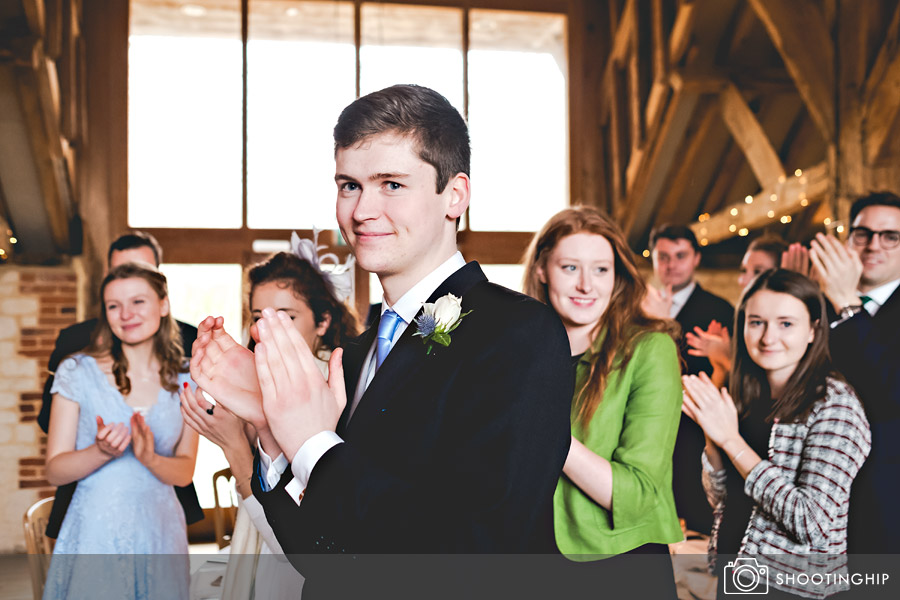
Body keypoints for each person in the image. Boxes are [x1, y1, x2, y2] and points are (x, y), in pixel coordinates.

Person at [189, 85, 573, 597]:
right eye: (349, 185)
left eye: (391, 184)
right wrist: (268, 424)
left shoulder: (519, 333)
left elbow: (482, 546)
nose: (362, 209)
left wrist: (312, 442)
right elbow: (316, 552)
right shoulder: (354, 354)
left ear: (454, 195)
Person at [181, 236, 360, 600]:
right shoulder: (257, 381)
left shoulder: (330, 389)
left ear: (322, 321)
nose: (267, 331)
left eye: (286, 317)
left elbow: (294, 533)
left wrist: (234, 446)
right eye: (258, 318)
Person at [523, 206, 683, 598]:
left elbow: (641, 492)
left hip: (619, 566)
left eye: (600, 270)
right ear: (542, 270)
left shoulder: (649, 350)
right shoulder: (520, 352)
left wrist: (549, 437)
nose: (586, 286)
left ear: (617, 277)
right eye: (570, 268)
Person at [682, 269, 870, 599]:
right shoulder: (749, 394)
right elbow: (720, 499)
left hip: (793, 588)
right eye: (756, 322)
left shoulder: (836, 406)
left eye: (786, 324)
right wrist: (712, 439)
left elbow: (811, 523)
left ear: (813, 330)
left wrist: (730, 440)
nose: (768, 337)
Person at [42, 262, 199, 600]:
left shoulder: (188, 378)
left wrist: (150, 458)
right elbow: (54, 470)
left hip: (162, 531)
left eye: (138, 302)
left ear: (164, 304)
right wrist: (100, 452)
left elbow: (185, 471)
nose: (125, 314)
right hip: (95, 533)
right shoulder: (76, 371)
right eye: (114, 306)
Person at [807, 191, 900, 554]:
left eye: (891, 236)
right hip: (812, 502)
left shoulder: (842, 303)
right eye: (863, 234)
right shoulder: (818, 305)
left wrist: (848, 304)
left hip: (882, 502)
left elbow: (890, 393)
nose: (874, 245)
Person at [644, 223, 734, 536]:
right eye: (663, 257)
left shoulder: (719, 309)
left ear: (695, 258)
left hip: (696, 430)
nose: (671, 265)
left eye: (680, 255)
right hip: (649, 423)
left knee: (698, 518)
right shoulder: (637, 310)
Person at [687, 235, 789, 386]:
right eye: (744, 271)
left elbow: (765, 392)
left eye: (757, 272)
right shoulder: (740, 321)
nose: (743, 280)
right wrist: (719, 366)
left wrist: (727, 358)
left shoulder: (786, 330)